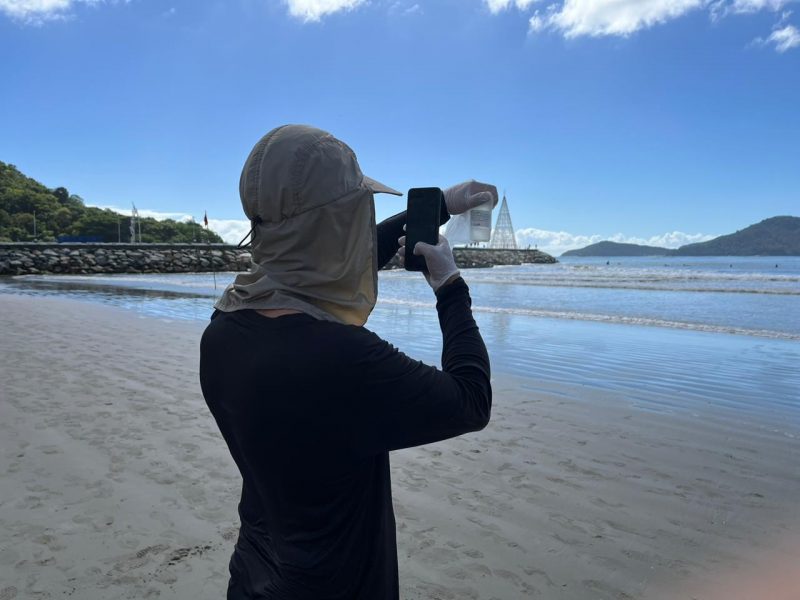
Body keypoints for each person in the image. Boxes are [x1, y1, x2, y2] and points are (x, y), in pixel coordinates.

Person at [200, 124, 494, 599]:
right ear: (340, 223)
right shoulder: (342, 360)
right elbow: (471, 400)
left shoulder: (224, 328)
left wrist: (442, 201)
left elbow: (318, 254)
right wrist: (450, 287)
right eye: (357, 210)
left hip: (255, 574)